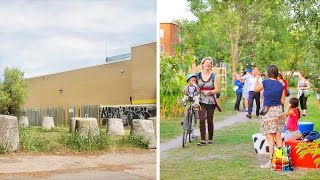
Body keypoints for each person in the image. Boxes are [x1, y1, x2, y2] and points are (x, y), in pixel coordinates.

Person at [254, 65, 286, 169]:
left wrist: (257, 78)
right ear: (277, 73)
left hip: (269, 112)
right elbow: (282, 101)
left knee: (270, 138)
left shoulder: (265, 82)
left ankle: (271, 162)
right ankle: (280, 162)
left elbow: (255, 90)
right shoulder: (281, 85)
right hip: (279, 112)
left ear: (268, 73)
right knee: (278, 137)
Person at [196, 57, 220, 146]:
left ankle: (210, 138)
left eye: (210, 63)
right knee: (202, 119)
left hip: (211, 101)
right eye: (206, 62)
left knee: (209, 120)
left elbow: (217, 90)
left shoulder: (214, 76)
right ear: (202, 64)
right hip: (200, 100)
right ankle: (202, 139)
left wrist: (209, 91)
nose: (208, 64)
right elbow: (193, 85)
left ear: (211, 65)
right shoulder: (197, 75)